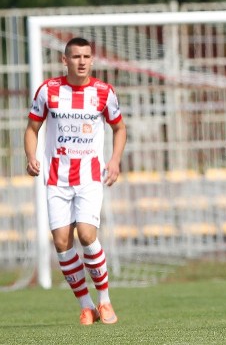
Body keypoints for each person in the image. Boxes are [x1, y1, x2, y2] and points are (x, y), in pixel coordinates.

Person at [24, 37, 127, 325]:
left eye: (86, 56)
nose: (82, 61)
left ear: (92, 60)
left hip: (89, 176)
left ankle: (105, 300)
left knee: (86, 234)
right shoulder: (48, 91)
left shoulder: (104, 93)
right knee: (61, 241)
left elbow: (119, 129)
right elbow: (32, 128)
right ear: (64, 60)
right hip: (56, 177)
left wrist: (115, 160)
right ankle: (86, 306)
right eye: (76, 56)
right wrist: (31, 155)